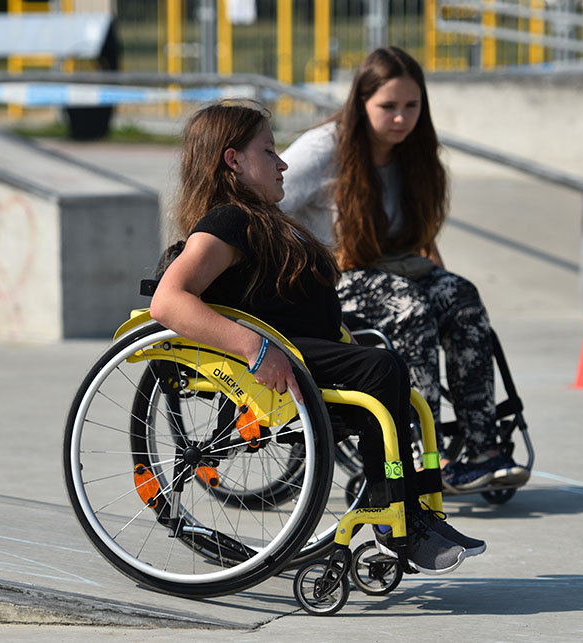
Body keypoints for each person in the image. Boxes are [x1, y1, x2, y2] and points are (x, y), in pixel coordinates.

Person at [148, 100, 485, 575]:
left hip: (302, 350)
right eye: (269, 151)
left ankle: (411, 513)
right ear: (233, 160)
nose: (283, 162)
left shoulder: (263, 221)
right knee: (381, 368)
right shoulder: (226, 222)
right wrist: (254, 347)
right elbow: (168, 301)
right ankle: (400, 521)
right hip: (273, 358)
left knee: (385, 374)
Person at [279, 47, 529, 492]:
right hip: (331, 278)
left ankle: (481, 447)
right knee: (410, 306)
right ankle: (415, 451)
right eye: (388, 107)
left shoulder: (414, 153)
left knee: (462, 297)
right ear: (361, 103)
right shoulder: (325, 149)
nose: (401, 118)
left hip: (391, 268)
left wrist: (449, 294)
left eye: (411, 106)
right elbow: (262, 202)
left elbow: (420, 239)